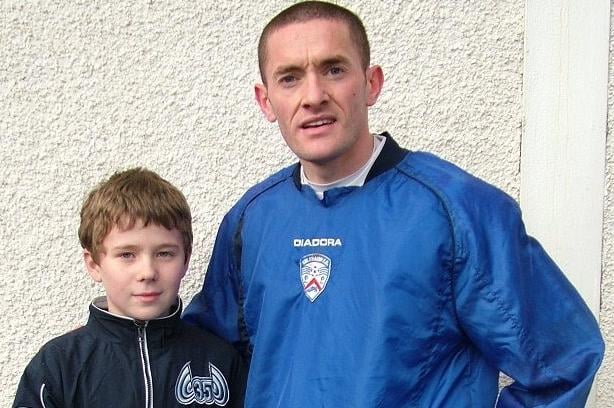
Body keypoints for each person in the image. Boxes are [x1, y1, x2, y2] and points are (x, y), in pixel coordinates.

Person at [183, 1, 604, 406]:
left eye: (333, 69)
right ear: (265, 100)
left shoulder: (458, 211)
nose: (313, 95)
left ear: (371, 83)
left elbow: (563, 361)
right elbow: (204, 367)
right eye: (290, 77)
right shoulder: (251, 220)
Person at [13, 168, 246, 408]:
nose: (147, 272)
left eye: (164, 254)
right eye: (127, 255)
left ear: (186, 259)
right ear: (94, 264)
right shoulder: (58, 365)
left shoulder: (220, 361)